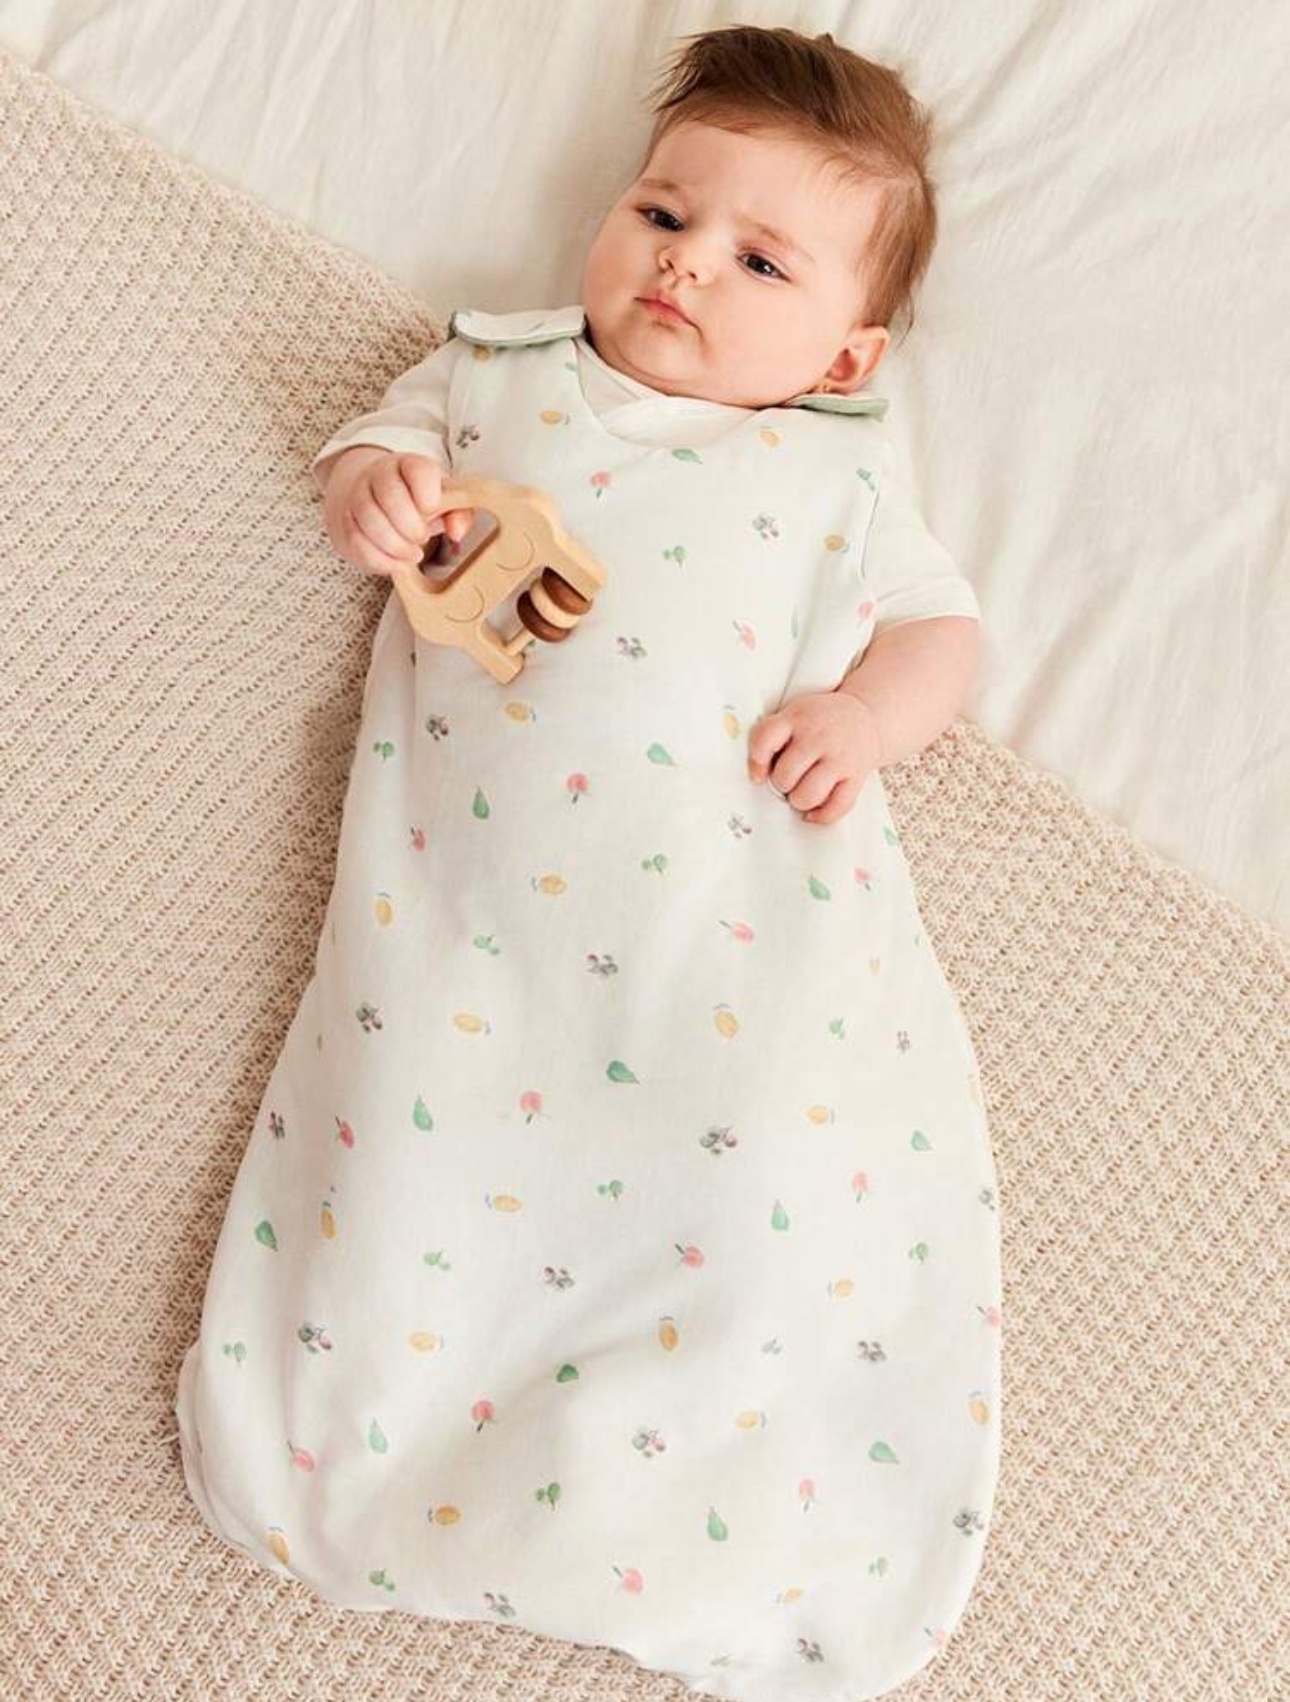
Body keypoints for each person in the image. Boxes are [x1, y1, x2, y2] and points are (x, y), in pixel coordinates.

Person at [174, 26, 1003, 1702]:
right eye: (661, 214)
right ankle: (387, 1461)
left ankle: (701, 1499)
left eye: (758, 260)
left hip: (725, 921)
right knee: (416, 1144)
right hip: (470, 918)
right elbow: (363, 462)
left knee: (753, 1169)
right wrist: (377, 492)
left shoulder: (835, 464)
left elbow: (942, 634)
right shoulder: (497, 375)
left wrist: (860, 716)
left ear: (847, 348)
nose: (683, 265)